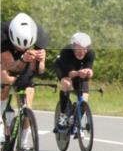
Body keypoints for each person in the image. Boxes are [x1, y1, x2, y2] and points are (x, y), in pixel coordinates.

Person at [1, 13, 49, 141]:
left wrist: (40, 61)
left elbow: (40, 70)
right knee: (5, 81)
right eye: (18, 46)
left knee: (27, 104)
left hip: (25, 62)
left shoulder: (40, 35)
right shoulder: (3, 34)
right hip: (6, 62)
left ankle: (23, 143)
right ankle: (2, 115)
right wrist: (23, 58)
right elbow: (9, 66)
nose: (21, 49)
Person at [54, 32, 95, 131]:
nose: (81, 52)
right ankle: (62, 116)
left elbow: (90, 70)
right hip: (64, 69)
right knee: (67, 84)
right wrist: (79, 73)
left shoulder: (91, 53)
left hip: (79, 71)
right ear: (73, 47)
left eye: (84, 49)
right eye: (78, 49)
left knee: (84, 99)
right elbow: (70, 73)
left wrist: (88, 72)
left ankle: (76, 121)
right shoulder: (66, 51)